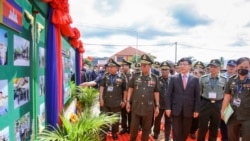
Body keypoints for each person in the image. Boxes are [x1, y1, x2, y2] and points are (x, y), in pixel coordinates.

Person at [126, 54, 160, 141]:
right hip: (136, 107)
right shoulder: (135, 76)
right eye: (141, 65)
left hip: (148, 108)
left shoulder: (154, 78)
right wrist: (128, 101)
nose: (143, 66)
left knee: (146, 129)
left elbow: (156, 92)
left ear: (150, 66)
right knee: (133, 128)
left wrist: (157, 106)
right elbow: (130, 88)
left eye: (145, 65)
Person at [165, 57, 200, 141]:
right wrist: (168, 108)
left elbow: (197, 96)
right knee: (176, 131)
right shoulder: (173, 78)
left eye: (184, 64)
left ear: (190, 66)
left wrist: (196, 109)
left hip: (189, 109)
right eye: (180, 64)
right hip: (176, 109)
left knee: (186, 130)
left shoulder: (195, 79)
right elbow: (168, 94)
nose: (182, 66)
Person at [197, 59, 227, 141]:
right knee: (202, 126)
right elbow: (199, 92)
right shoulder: (203, 78)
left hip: (218, 105)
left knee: (215, 126)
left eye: (215, 67)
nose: (212, 68)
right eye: (211, 66)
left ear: (219, 68)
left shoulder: (224, 79)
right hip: (205, 103)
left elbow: (225, 94)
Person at [221, 57, 250, 141]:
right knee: (232, 137)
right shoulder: (231, 80)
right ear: (237, 67)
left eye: (246, 67)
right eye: (241, 67)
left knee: (247, 138)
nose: (243, 69)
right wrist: (222, 111)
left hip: (248, 115)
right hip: (233, 114)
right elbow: (227, 96)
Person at [99, 58, 128, 140]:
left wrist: (124, 100)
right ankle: (103, 134)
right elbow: (101, 87)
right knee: (104, 118)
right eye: (109, 67)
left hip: (116, 102)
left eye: (112, 67)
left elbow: (125, 89)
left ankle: (114, 132)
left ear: (117, 68)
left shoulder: (122, 76)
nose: (110, 68)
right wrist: (101, 98)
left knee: (115, 119)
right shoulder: (106, 76)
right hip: (106, 102)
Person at [152, 61, 172, 141]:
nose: (164, 71)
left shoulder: (173, 80)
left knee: (168, 121)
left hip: (169, 105)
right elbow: (154, 91)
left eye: (166, 70)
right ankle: (156, 133)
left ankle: (167, 136)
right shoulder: (157, 79)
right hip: (159, 104)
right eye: (163, 69)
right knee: (157, 120)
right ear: (160, 70)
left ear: (169, 70)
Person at [220, 59, 237, 141]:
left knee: (233, 122)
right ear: (226, 67)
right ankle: (225, 138)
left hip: (235, 103)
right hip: (222, 101)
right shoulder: (220, 76)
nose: (231, 68)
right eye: (229, 66)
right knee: (223, 121)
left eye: (233, 67)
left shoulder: (239, 77)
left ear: (236, 67)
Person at [189, 61, 205, 139]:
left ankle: (192, 131)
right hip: (190, 100)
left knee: (197, 118)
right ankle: (187, 130)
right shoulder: (190, 78)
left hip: (201, 100)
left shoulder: (205, 79)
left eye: (200, 70)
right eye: (196, 70)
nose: (198, 71)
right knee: (189, 117)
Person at [120, 59, 133, 134]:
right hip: (122, 97)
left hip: (131, 98)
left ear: (128, 66)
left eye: (124, 66)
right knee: (123, 113)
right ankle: (124, 127)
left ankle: (130, 128)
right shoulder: (121, 75)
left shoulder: (133, 74)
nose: (122, 67)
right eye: (122, 66)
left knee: (131, 114)